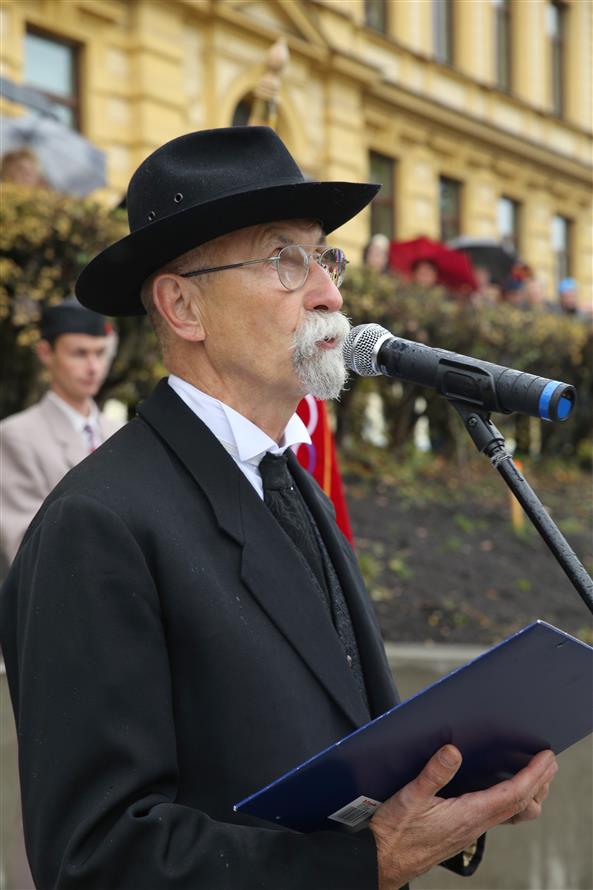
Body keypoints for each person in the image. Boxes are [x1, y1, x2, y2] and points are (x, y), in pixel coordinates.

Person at [0, 127, 557, 889]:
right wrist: (360, 863)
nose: (330, 292)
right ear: (182, 305)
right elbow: (95, 858)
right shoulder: (97, 525)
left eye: (324, 257)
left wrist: (460, 800)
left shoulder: (288, 481)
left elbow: (345, 749)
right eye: (283, 260)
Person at [0, 298, 122, 571]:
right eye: (79, 353)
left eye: (100, 353)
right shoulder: (16, 436)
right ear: (46, 353)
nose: (93, 367)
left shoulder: (120, 433)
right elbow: (25, 545)